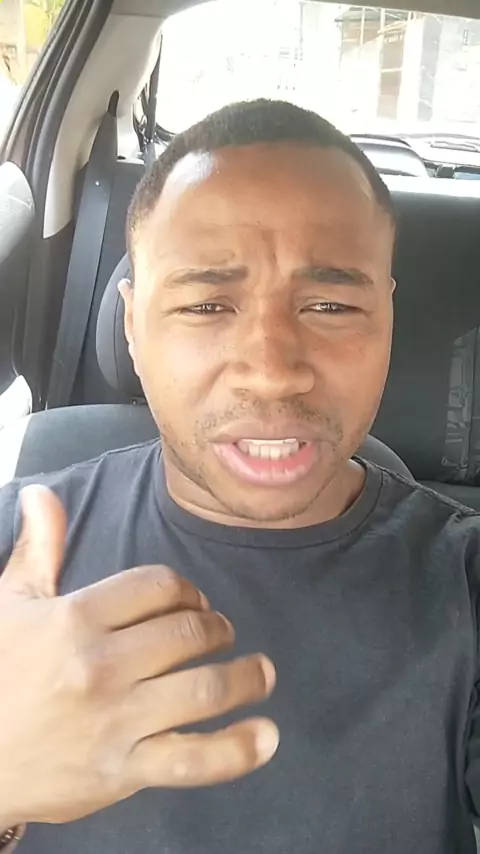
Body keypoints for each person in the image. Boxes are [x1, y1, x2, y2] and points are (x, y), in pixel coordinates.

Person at [0, 98, 478, 854]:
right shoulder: (14, 554)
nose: (272, 371)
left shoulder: (465, 582)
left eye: (330, 304)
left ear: (386, 316)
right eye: (206, 304)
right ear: (132, 323)